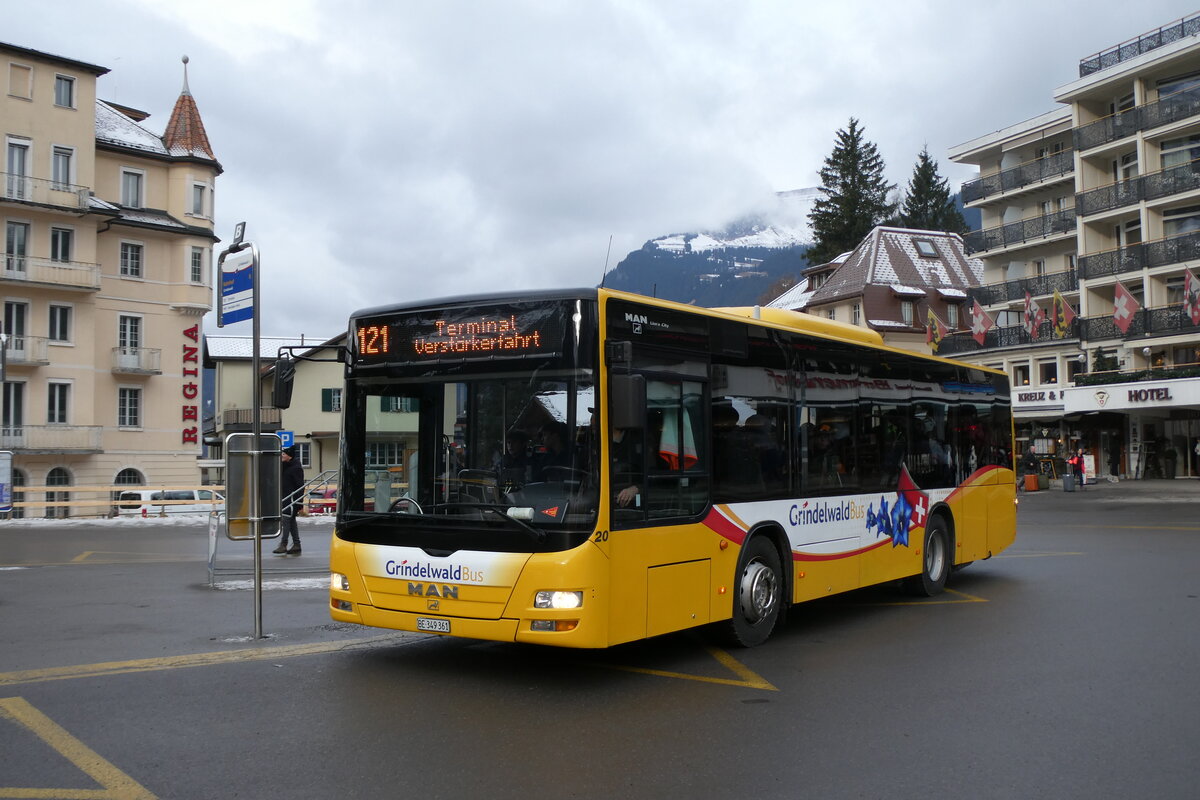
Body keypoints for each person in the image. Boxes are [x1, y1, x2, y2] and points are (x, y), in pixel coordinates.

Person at [274, 446, 305, 555]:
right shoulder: (286, 466)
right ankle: (297, 544)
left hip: (291, 499)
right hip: (285, 497)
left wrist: (299, 502)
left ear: (289, 456)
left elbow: (300, 486)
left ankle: (284, 544)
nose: (282, 456)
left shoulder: (296, 468)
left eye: (284, 454)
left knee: (286, 520)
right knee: (291, 521)